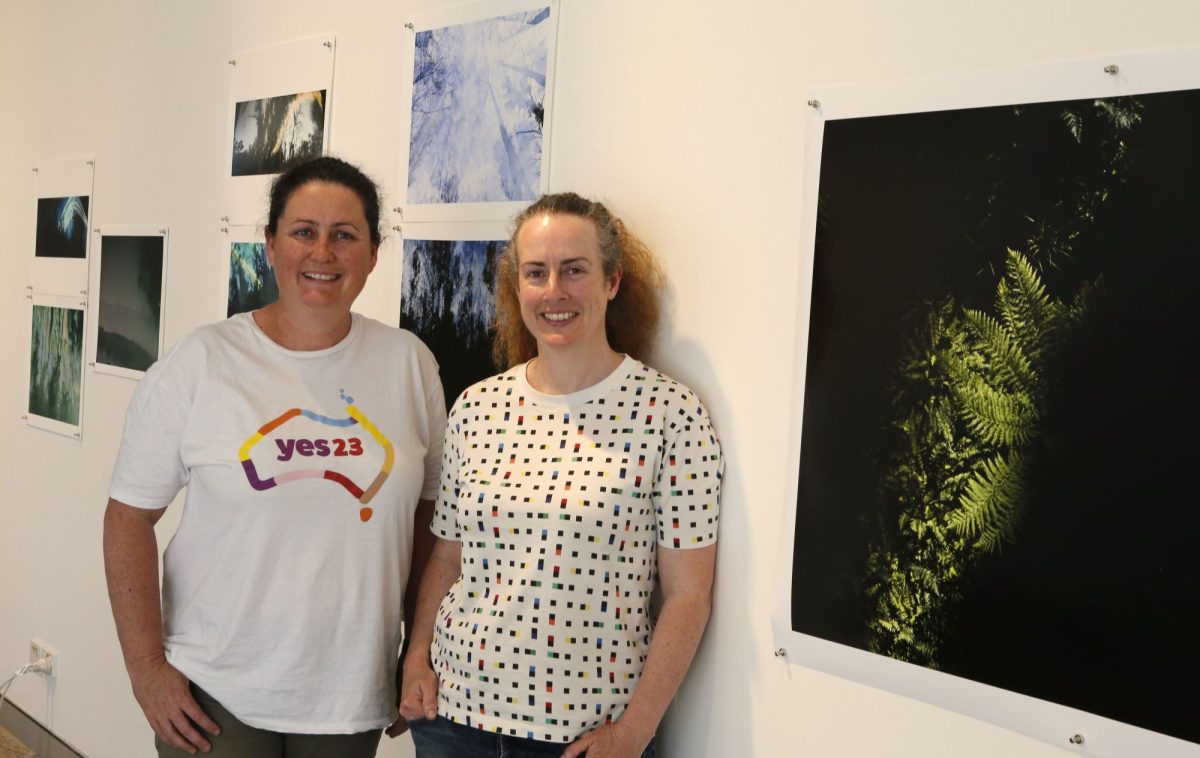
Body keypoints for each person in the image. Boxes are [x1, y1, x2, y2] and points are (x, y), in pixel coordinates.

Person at [103, 157, 446, 757]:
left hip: (348, 694)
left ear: (371, 253)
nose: (323, 252)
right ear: (269, 244)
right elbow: (128, 517)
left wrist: (418, 651)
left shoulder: (408, 364)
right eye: (303, 231)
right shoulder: (203, 361)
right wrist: (145, 669)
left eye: (345, 235)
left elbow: (431, 519)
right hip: (214, 692)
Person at [399, 193, 723, 757]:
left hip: (585, 736)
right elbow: (448, 556)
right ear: (517, 287)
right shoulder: (477, 406)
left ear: (612, 281)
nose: (555, 291)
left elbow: (688, 595)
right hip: (455, 720)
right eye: (536, 272)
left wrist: (635, 732)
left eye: (574, 270)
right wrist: (416, 658)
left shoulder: (670, 413)